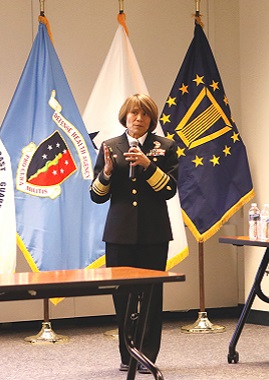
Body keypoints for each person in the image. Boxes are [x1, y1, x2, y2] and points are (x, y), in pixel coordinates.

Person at [90, 93, 178, 374]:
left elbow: (169, 190)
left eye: (144, 114)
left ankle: (147, 356)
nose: (138, 119)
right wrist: (105, 173)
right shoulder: (109, 146)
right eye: (133, 114)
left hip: (154, 234)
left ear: (151, 119)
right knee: (123, 297)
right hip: (119, 235)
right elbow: (96, 196)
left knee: (152, 297)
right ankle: (128, 353)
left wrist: (147, 165)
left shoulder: (165, 147)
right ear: (124, 117)